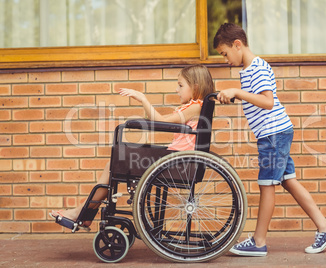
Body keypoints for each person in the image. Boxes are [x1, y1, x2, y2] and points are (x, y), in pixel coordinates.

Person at [214, 23, 326, 256]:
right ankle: (325, 226)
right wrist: (233, 95)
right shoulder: (251, 68)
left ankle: (258, 242)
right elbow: (258, 99)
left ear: (237, 45)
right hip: (276, 133)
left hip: (273, 135)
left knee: (266, 186)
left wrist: (238, 92)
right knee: (288, 180)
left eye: (224, 53)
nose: (225, 59)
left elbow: (268, 101)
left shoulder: (257, 68)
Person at [50, 64, 215, 229]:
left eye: (180, 85)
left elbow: (160, 121)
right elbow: (161, 121)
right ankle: (84, 213)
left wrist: (143, 98)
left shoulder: (196, 106)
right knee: (114, 164)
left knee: (115, 163)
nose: (176, 89)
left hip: (177, 164)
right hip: (175, 160)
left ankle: (81, 213)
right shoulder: (196, 107)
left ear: (195, 87)